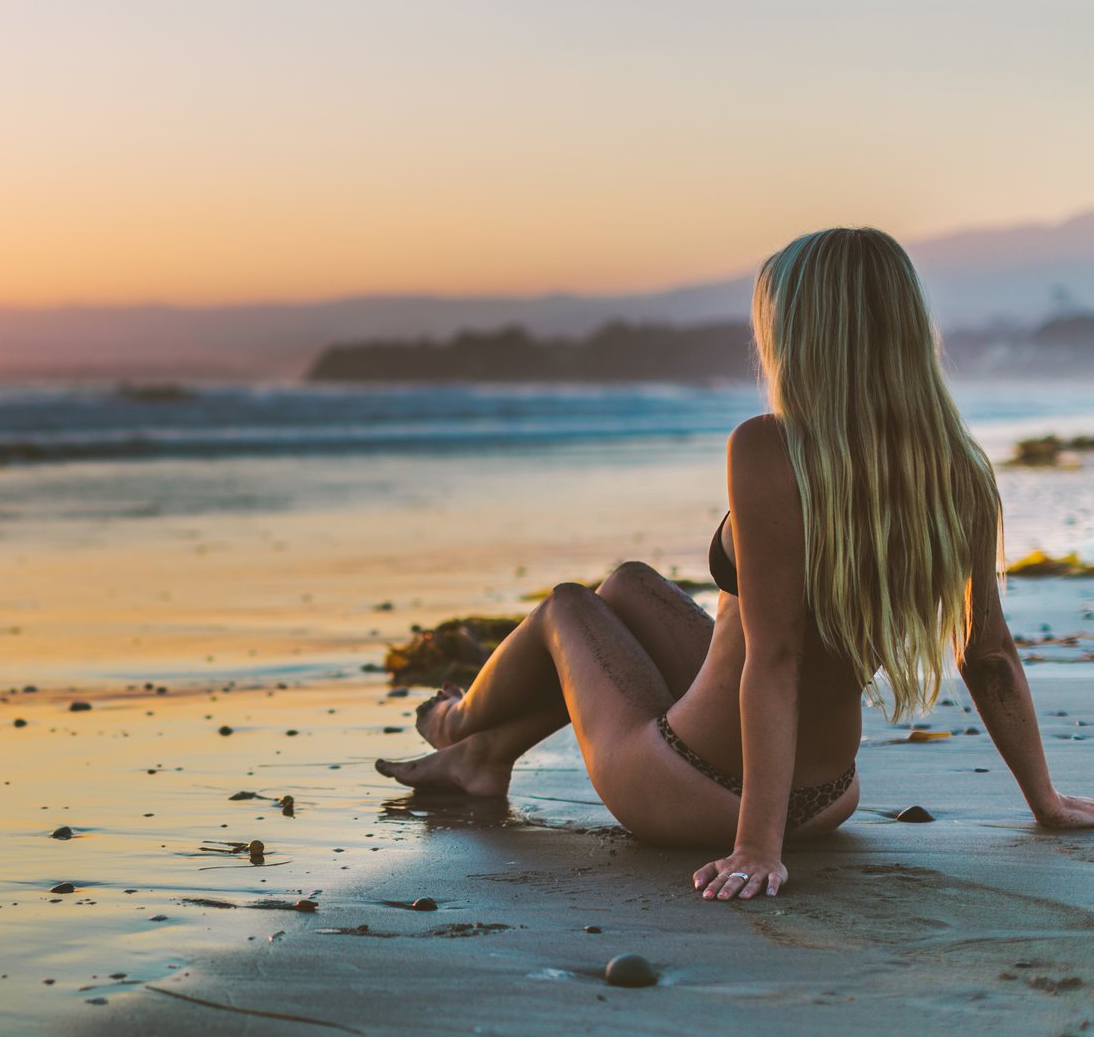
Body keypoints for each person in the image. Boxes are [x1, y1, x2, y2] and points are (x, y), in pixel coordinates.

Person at [374, 226, 1094, 900]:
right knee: (626, 585)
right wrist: (1045, 801)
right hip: (831, 793)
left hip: (700, 788)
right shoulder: (957, 468)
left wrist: (758, 847)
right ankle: (482, 758)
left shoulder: (771, 448)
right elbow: (989, 650)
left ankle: (456, 723)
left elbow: (775, 658)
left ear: (803, 334)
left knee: (569, 605)